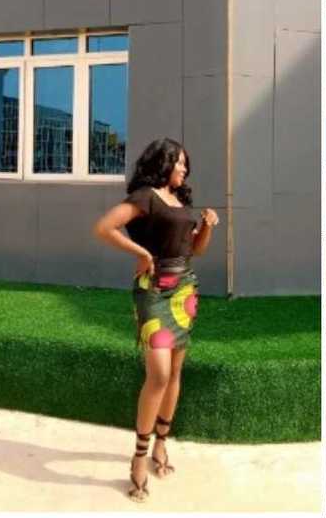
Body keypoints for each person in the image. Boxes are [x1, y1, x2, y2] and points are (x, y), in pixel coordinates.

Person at [94, 138, 219, 502]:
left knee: (176, 372)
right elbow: (104, 227)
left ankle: (161, 445)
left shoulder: (180, 201)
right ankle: (138, 456)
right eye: (179, 163)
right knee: (159, 374)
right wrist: (141, 252)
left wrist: (207, 225)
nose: (184, 170)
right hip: (152, 290)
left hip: (184, 291)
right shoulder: (146, 197)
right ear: (163, 163)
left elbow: (195, 248)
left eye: (185, 165)